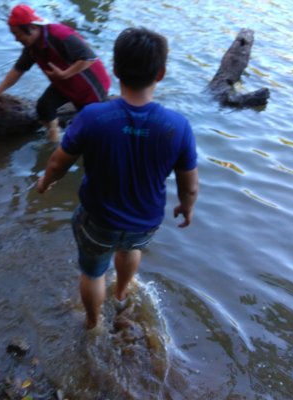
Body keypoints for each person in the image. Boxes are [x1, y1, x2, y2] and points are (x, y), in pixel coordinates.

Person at [37, 27, 198, 329]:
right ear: (160, 73)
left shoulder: (93, 117)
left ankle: (93, 322)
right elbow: (190, 185)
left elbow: (59, 162)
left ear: (114, 70)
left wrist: (46, 182)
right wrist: (187, 207)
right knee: (130, 249)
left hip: (99, 220)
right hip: (144, 222)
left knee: (93, 272)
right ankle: (122, 293)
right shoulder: (178, 126)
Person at [0, 4, 110, 142]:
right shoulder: (31, 47)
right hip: (65, 84)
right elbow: (18, 69)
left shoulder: (60, 35)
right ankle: (55, 141)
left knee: (95, 130)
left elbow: (89, 58)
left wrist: (65, 74)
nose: (16, 39)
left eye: (17, 34)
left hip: (90, 88)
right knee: (44, 107)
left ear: (32, 28)